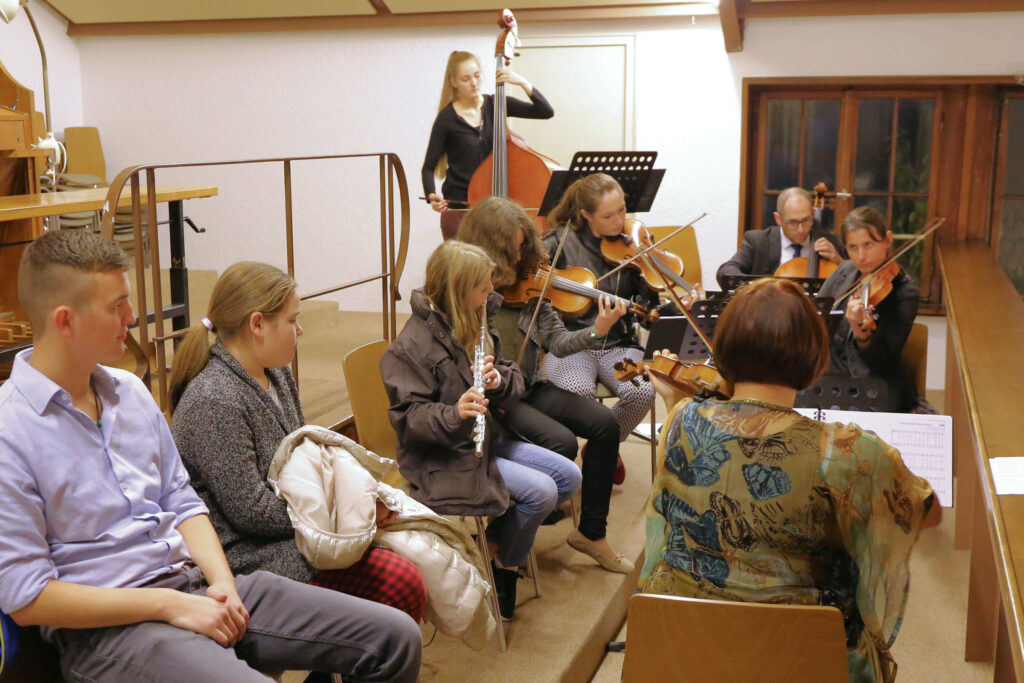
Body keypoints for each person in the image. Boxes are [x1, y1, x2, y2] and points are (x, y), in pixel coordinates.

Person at [0, 231, 421, 682]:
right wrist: (169, 604)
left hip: (195, 584)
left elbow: (182, 501)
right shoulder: (12, 430)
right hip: (113, 630)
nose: (132, 316)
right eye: (116, 306)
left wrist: (221, 583)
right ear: (65, 321)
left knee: (396, 638)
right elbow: (27, 598)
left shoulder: (129, 393)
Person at [640, 277, 940, 683]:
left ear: (723, 349)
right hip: (801, 657)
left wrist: (676, 402)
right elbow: (924, 513)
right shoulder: (850, 452)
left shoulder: (682, 420)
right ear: (814, 358)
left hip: (685, 649)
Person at [168, 261, 427, 622]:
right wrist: (349, 512)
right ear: (257, 324)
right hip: (249, 554)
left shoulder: (277, 372)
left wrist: (356, 501)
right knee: (400, 582)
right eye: (292, 320)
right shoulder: (214, 400)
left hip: (291, 530)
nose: (300, 330)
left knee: (416, 549)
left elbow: (304, 458)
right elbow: (251, 512)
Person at [380, 240, 581, 620]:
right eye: (482, 285)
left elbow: (511, 375)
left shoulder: (476, 318)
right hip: (442, 456)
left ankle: (493, 549)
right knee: (541, 492)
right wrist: (454, 412)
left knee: (569, 476)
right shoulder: (409, 346)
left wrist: (498, 380)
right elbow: (409, 419)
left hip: (485, 439)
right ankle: (505, 568)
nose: (492, 290)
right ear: (458, 290)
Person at [457, 196, 634, 573]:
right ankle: (503, 534)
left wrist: (597, 329)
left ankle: (591, 533)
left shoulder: (532, 283)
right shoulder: (472, 292)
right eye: (514, 249)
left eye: (524, 246)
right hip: (497, 396)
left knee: (604, 424)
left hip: (531, 386)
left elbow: (557, 341)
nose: (522, 257)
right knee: (562, 442)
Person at [539, 172, 685, 482]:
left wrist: (663, 296)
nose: (619, 221)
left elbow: (647, 314)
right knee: (577, 390)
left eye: (622, 210)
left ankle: (602, 446)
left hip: (619, 345)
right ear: (586, 215)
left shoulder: (633, 245)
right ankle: (566, 462)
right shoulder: (558, 242)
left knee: (642, 390)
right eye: (608, 215)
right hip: (572, 344)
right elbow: (533, 290)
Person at [422, 50, 554, 240]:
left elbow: (545, 111)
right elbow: (428, 167)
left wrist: (522, 82)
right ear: (454, 82)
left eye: (477, 75)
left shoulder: (496, 104)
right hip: (461, 210)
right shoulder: (447, 118)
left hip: (496, 210)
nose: (474, 83)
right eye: (466, 79)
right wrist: (431, 195)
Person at [817, 206, 919, 413]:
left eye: (868, 245)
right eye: (853, 247)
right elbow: (817, 313)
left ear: (887, 240)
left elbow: (882, 361)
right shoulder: (845, 270)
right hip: (831, 378)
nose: (861, 256)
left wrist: (861, 332)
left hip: (875, 386)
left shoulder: (904, 291)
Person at [716, 186, 844, 289]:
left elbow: (854, 281)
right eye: (792, 222)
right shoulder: (758, 241)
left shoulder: (831, 242)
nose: (801, 229)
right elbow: (725, 272)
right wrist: (757, 287)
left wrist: (839, 261)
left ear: (812, 214)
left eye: (806, 220)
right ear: (778, 219)